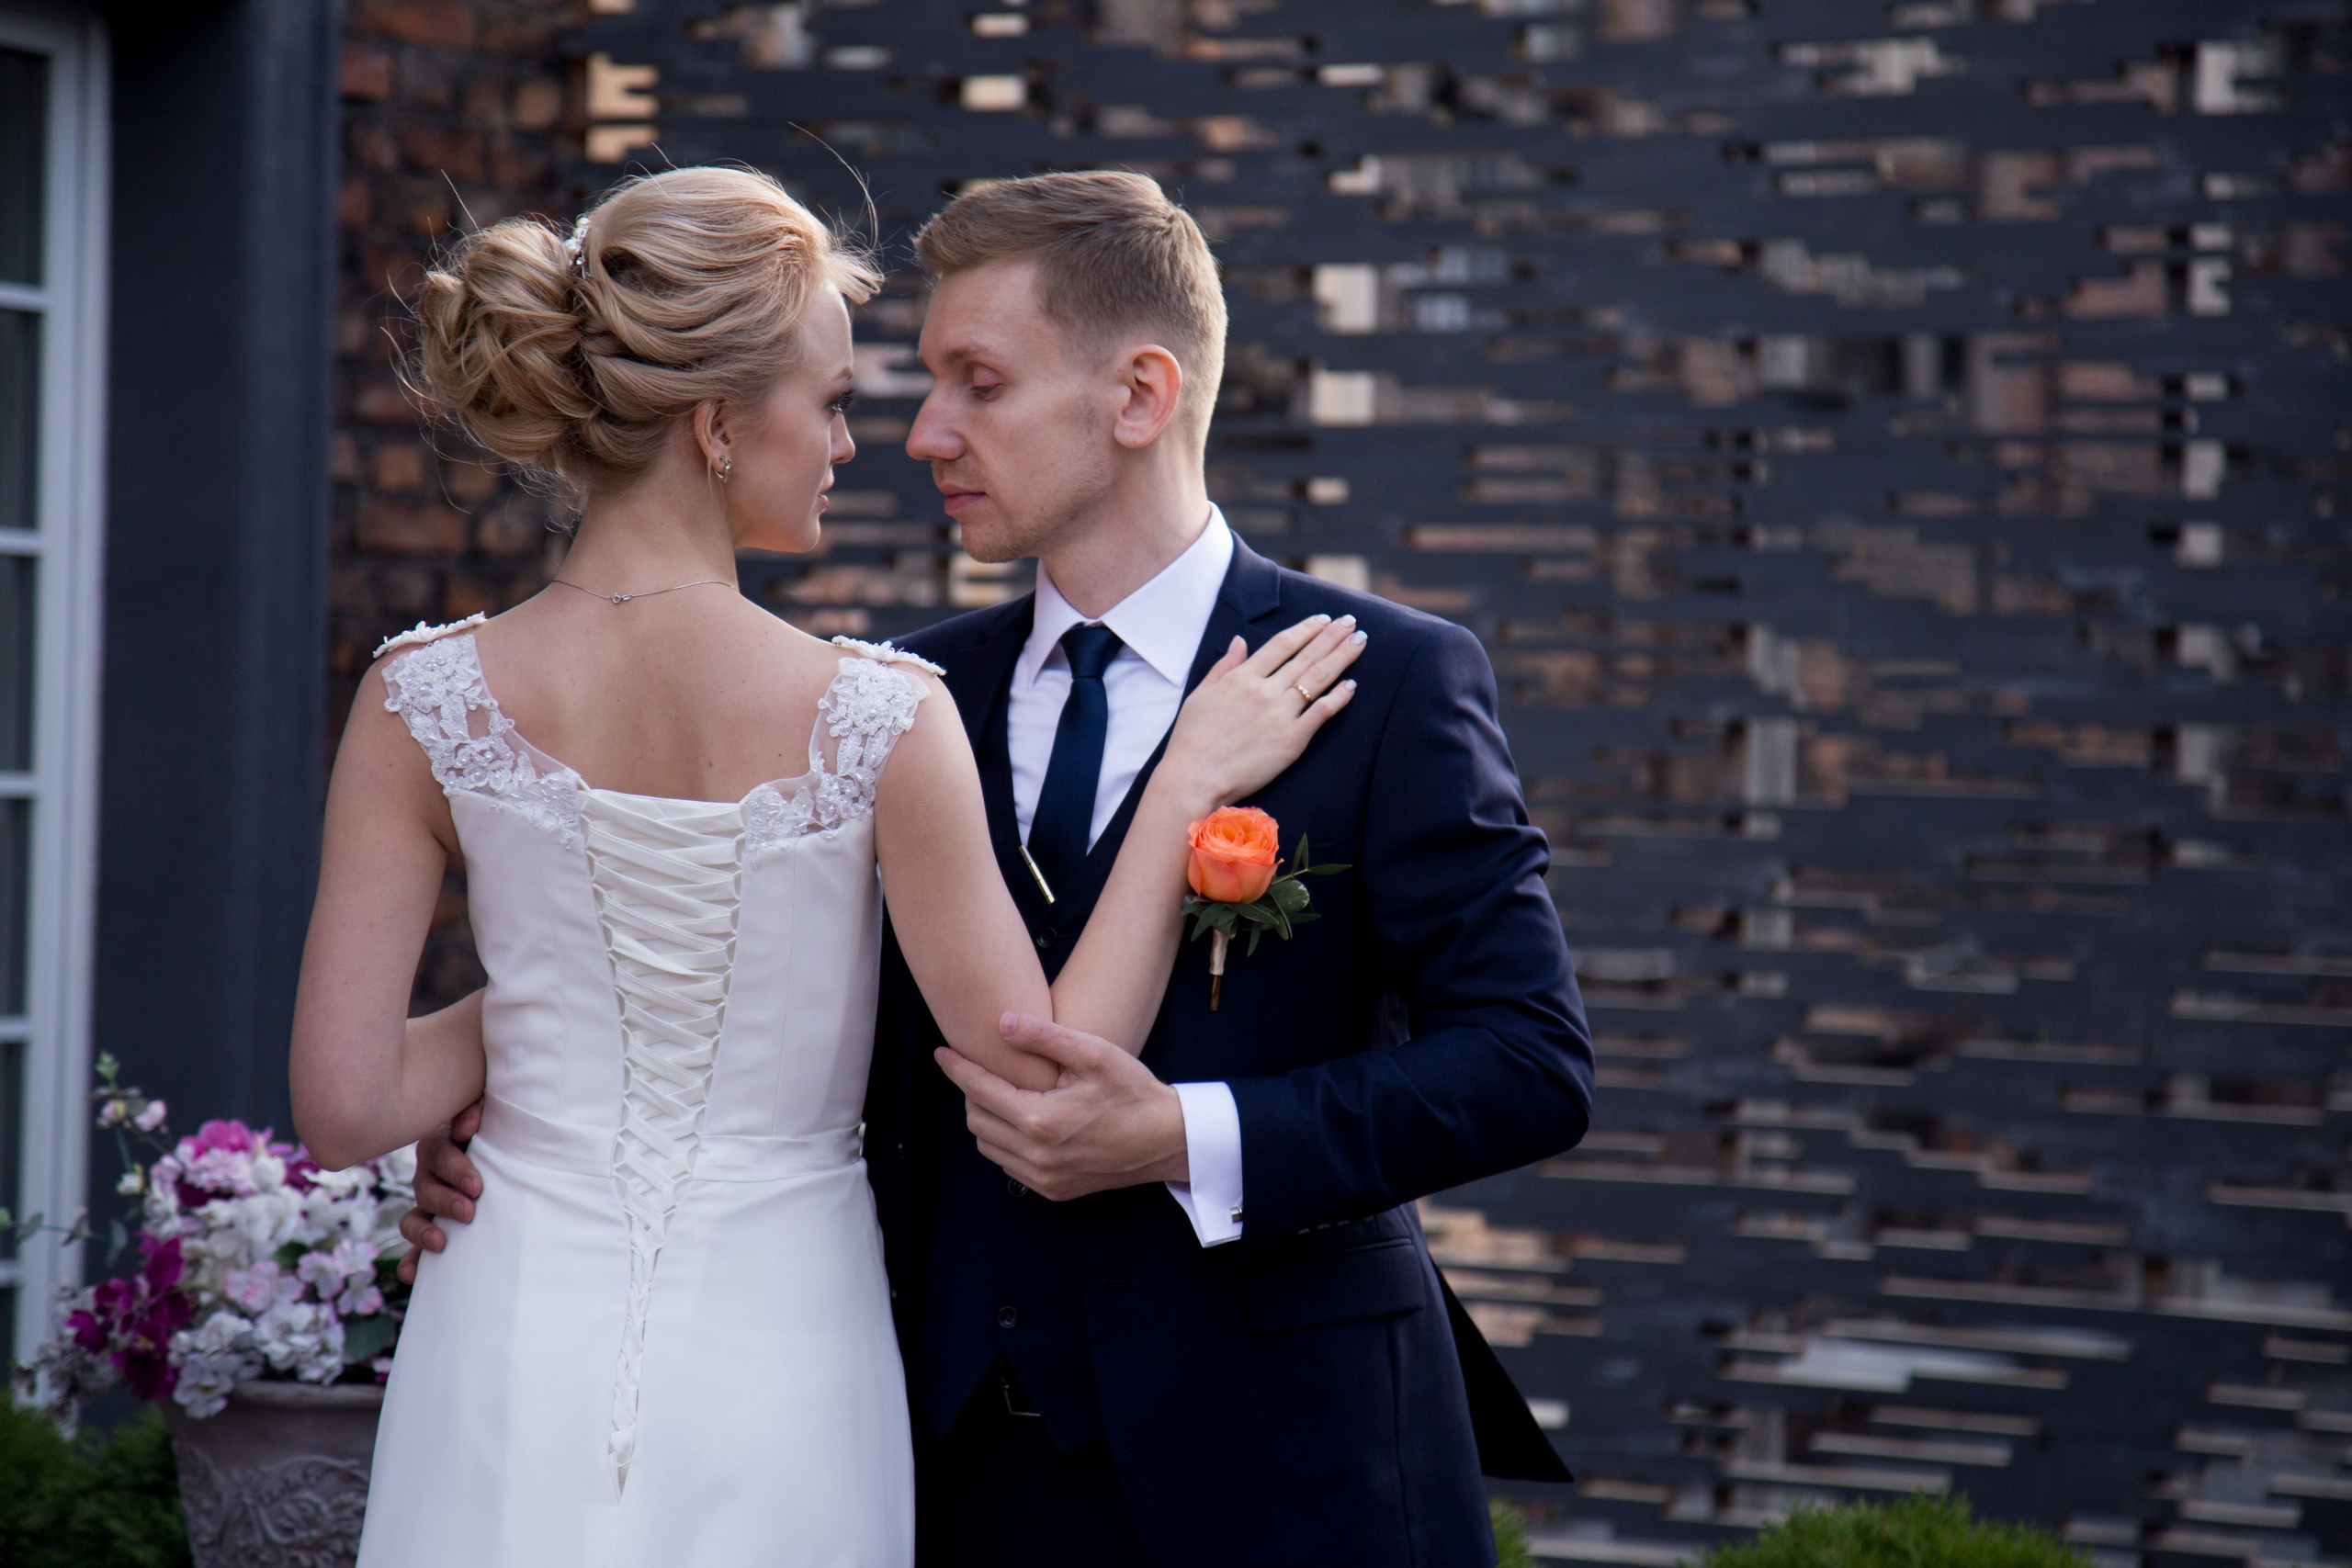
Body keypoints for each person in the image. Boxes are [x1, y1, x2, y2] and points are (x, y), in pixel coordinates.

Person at [401, 171, 1595, 1567]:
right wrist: (514, 1099)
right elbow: (737, 978)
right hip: (945, 1468)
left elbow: (1529, 1061)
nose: (922, 434)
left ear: (1139, 397)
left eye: (978, 383)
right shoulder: (878, 702)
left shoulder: (1379, 681)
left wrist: (1187, 1138)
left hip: (1293, 1463)